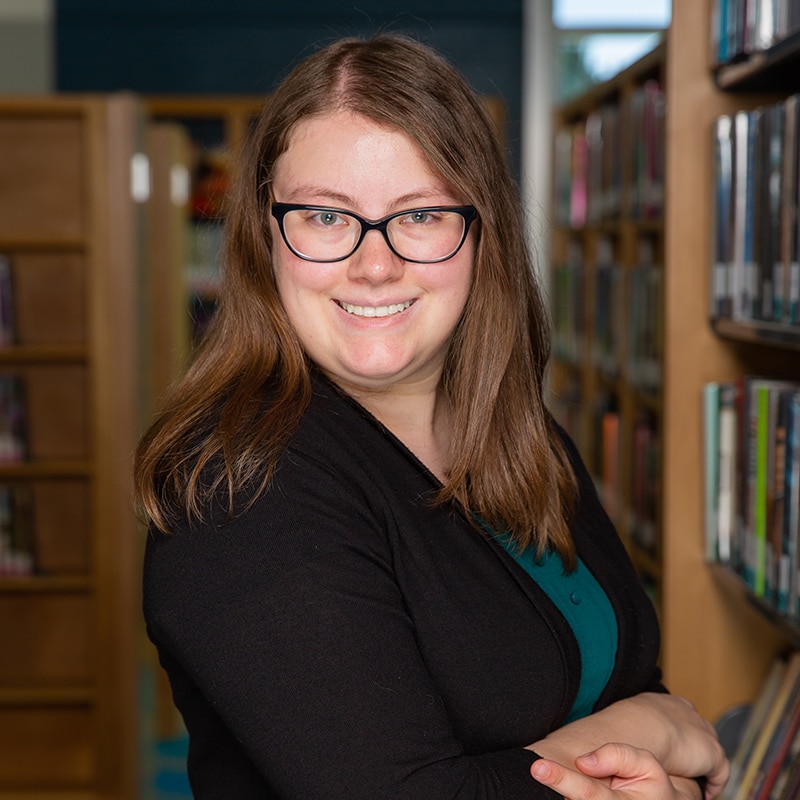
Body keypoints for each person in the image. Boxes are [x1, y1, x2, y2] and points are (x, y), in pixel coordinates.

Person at [134, 34, 729, 800]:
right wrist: (652, 731)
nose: (374, 265)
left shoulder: (521, 437)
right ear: (265, 236)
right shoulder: (240, 490)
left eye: (419, 215)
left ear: (482, 233)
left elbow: (623, 672)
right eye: (324, 217)